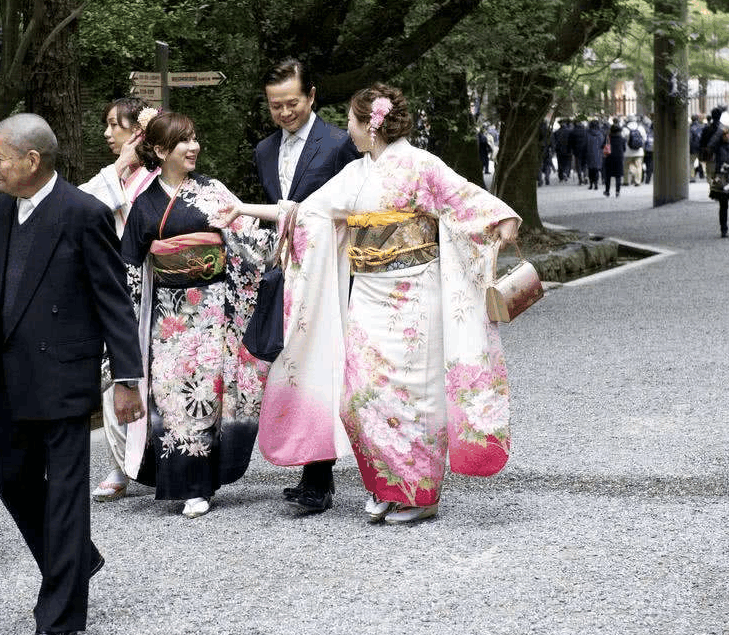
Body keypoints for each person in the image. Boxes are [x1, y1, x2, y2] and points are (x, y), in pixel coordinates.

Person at [217, 83, 520, 524]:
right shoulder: (357, 173)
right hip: (369, 298)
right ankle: (385, 482)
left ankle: (420, 493)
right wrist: (243, 207)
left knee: (413, 395)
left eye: (353, 122)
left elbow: (465, 198)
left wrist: (503, 216)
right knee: (360, 395)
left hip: (414, 295)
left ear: (371, 126)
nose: (348, 130)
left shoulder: (420, 165)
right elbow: (304, 213)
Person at [0, 113, 144, 635]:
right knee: (11, 480)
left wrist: (128, 380)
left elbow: (113, 300)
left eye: (0, 157)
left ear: (32, 160)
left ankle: (62, 616)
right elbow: (2, 286)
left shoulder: (83, 213)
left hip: (64, 374)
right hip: (10, 370)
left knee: (66, 493)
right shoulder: (3, 207)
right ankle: (76, 558)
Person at [120, 111, 272, 519]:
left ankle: (201, 484)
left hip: (214, 307)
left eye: (194, 138)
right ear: (159, 150)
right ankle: (181, 482)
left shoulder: (213, 192)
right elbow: (131, 270)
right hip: (169, 314)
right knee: (170, 397)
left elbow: (252, 241)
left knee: (210, 394)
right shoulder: (143, 205)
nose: (194, 147)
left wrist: (286, 235)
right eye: (184, 141)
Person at [253, 57, 361, 513]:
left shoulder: (338, 143)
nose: (284, 113)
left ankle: (319, 476)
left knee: (322, 364)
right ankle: (306, 460)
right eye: (276, 105)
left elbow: (358, 203)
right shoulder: (263, 151)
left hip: (331, 271)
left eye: (292, 103)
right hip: (285, 271)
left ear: (312, 95)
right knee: (291, 364)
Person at [78, 97, 160, 502]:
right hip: (116, 287)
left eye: (115, 125)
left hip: (155, 284)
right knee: (113, 371)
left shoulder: (158, 179)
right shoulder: (116, 177)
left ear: (138, 132)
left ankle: (160, 460)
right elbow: (79, 207)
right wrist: (118, 167)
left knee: (159, 376)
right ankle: (119, 463)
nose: (108, 133)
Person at [705, 111, 729, 238]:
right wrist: (720, 133)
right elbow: (710, 146)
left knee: (723, 204)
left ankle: (724, 229)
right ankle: (724, 229)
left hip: (723, 172)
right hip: (722, 174)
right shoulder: (718, 140)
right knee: (723, 204)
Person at [603, 119, 625, 198]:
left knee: (608, 175)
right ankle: (617, 191)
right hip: (619, 158)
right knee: (618, 175)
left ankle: (607, 191)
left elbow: (603, 146)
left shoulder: (608, 138)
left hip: (609, 158)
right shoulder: (622, 138)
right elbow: (624, 148)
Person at [622, 116, 646, 187]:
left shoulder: (625, 129)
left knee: (626, 167)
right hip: (639, 151)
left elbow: (622, 139)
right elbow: (644, 138)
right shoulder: (640, 128)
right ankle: (637, 181)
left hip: (627, 152)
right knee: (638, 166)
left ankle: (626, 181)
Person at [584, 119, 606, 190]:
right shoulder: (601, 134)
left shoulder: (587, 133)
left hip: (589, 153)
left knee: (590, 170)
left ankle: (591, 184)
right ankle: (596, 184)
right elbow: (603, 144)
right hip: (599, 153)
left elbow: (585, 144)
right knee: (596, 170)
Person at [568, 119, 588, 185]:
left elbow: (570, 143)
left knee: (578, 165)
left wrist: (571, 150)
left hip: (577, 150)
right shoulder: (585, 131)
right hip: (585, 150)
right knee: (584, 164)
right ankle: (585, 176)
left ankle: (580, 179)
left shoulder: (573, 132)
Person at [689, 114, 705, 183]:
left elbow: (690, 139)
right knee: (702, 161)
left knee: (691, 163)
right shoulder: (701, 127)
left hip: (693, 148)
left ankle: (692, 177)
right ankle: (704, 174)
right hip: (701, 147)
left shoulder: (690, 128)